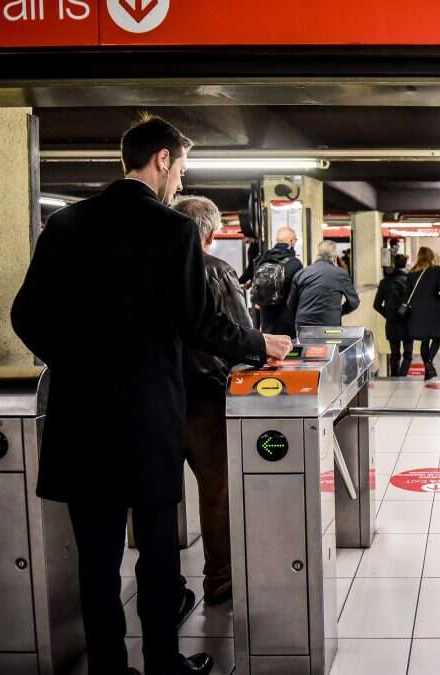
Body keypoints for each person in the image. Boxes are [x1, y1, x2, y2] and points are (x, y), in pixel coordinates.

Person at [11, 115, 293, 675]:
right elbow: (201, 324)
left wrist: (76, 363)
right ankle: (163, 663)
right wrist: (261, 343)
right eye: (181, 169)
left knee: (98, 559)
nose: (181, 184)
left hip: (80, 419)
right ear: (161, 160)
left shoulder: (66, 224)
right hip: (147, 420)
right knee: (157, 554)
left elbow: (25, 316)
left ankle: (110, 669)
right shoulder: (172, 231)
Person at [173, 196, 247, 608]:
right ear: (212, 234)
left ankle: (166, 589)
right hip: (206, 398)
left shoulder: (153, 269)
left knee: (158, 496)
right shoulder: (217, 270)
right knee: (216, 489)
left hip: (159, 398)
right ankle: (219, 579)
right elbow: (240, 333)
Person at [288, 239, 361, 328]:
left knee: (305, 342)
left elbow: (290, 304)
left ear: (317, 254)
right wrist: (339, 312)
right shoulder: (341, 274)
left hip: (303, 324)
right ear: (334, 257)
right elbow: (354, 302)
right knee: (329, 342)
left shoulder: (301, 273)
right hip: (329, 323)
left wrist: (303, 314)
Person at [406, 247, 440, 381]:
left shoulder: (412, 273)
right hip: (434, 310)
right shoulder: (437, 271)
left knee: (424, 340)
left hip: (417, 312)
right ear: (431, 257)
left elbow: (407, 295)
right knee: (436, 338)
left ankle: (427, 366)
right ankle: (429, 363)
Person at [250, 226, 303, 336]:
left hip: (266, 316)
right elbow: (298, 292)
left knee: (270, 348)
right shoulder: (295, 263)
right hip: (286, 317)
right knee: (287, 349)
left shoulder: (261, 260)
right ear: (291, 241)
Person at [372, 253, 414, 377]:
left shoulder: (385, 282)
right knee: (408, 354)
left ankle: (395, 377)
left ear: (394, 264)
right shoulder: (410, 281)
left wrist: (389, 315)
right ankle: (402, 376)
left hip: (392, 323)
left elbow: (376, 305)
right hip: (407, 322)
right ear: (405, 264)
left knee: (394, 354)